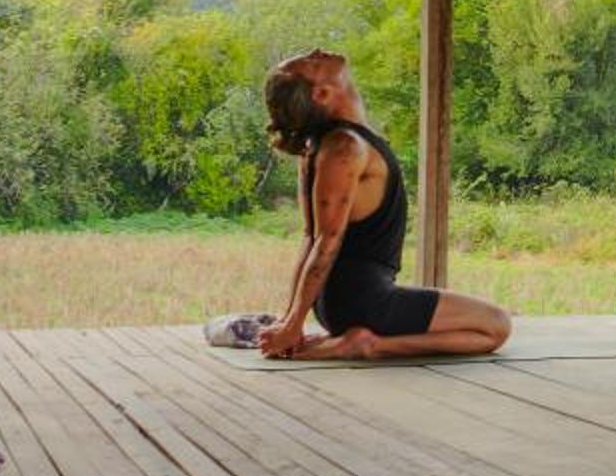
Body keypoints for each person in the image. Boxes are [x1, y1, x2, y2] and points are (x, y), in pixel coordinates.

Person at [207, 50, 511, 361]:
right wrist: (293, 322)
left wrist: (289, 321)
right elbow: (324, 240)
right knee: (496, 325)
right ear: (322, 94)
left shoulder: (325, 146)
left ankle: (352, 339)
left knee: (488, 325)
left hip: (345, 301)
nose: (317, 52)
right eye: (312, 62)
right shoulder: (344, 148)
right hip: (364, 302)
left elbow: (311, 238)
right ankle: (366, 345)